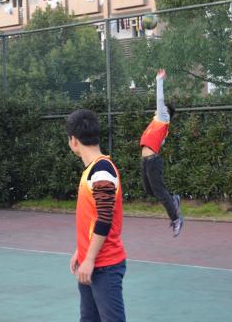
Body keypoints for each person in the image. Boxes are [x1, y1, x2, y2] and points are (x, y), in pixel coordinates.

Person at [66, 109, 127, 322]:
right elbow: (93, 218)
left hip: (104, 265)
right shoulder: (94, 169)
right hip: (91, 263)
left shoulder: (102, 170)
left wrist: (90, 258)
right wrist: (81, 250)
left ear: (73, 141)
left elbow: (104, 219)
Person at [140, 69, 183, 237]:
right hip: (146, 161)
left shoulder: (164, 118)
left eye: (160, 108)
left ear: (165, 112)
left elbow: (159, 100)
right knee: (149, 191)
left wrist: (159, 80)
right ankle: (173, 200)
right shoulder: (157, 124)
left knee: (159, 192)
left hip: (152, 161)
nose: (157, 108)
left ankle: (176, 219)